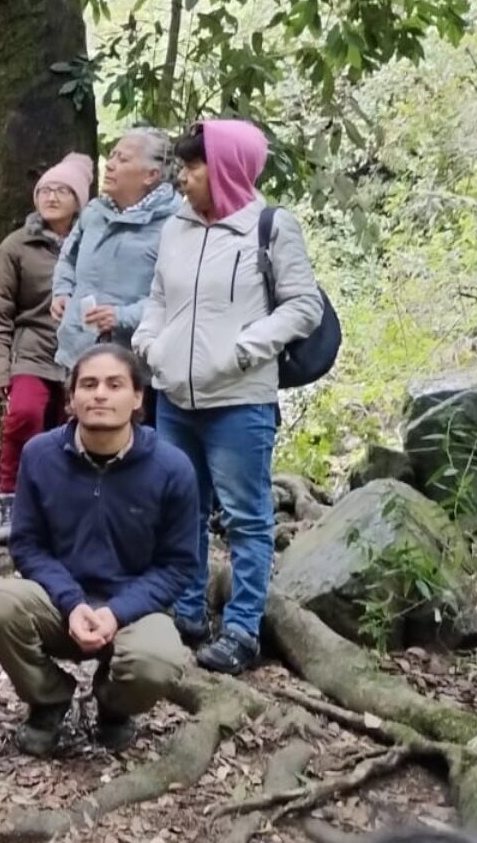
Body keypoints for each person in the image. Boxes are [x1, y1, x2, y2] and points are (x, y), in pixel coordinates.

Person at [134, 120, 324, 675]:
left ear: (228, 170)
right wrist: (150, 341)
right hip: (175, 396)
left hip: (240, 399)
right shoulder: (176, 226)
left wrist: (248, 347)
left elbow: (303, 306)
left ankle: (241, 629)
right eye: (183, 166)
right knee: (182, 509)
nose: (183, 177)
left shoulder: (269, 227)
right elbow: (158, 298)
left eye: (194, 167)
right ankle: (187, 613)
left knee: (246, 517)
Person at [0, 345, 198, 757]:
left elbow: (177, 565)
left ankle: (113, 707)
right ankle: (49, 699)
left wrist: (117, 612)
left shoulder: (172, 467)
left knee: (158, 659)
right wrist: (72, 602)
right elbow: (27, 544)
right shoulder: (40, 455)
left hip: (133, 610)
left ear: (137, 398)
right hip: (59, 605)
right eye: (89, 384)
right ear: (71, 397)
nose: (100, 395)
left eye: (114, 385)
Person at [0, 153, 89, 544]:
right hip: (31, 352)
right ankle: (10, 497)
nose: (52, 197)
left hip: (82, 354)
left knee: (71, 429)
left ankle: (59, 507)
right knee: (24, 416)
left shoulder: (92, 241)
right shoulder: (16, 246)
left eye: (62, 190)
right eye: (45, 190)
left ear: (79, 199)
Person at [49, 128, 179, 377]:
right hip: (79, 351)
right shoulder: (94, 212)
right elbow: (68, 258)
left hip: (136, 362)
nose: (110, 165)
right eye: (112, 156)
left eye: (123, 159)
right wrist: (62, 291)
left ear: (151, 175)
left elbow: (176, 296)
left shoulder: (173, 223)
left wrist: (123, 316)